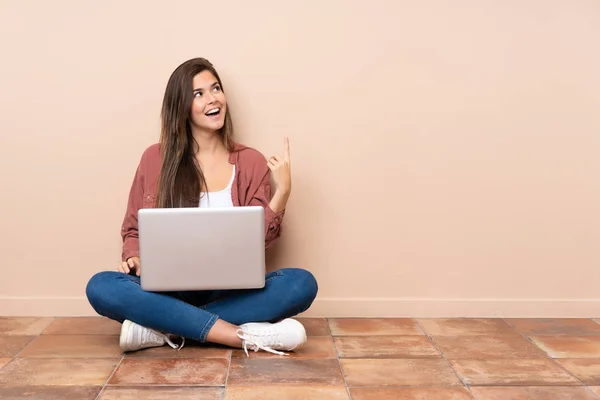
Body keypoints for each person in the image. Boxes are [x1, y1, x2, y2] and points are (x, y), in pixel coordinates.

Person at [85, 57, 318, 356]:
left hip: (231, 291)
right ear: (181, 106)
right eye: (199, 94)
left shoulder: (251, 162)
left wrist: (282, 192)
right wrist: (134, 258)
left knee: (300, 284)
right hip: (168, 289)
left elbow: (257, 243)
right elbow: (133, 230)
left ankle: (162, 328)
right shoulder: (154, 159)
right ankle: (240, 335)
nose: (213, 99)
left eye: (216, 88)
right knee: (101, 286)